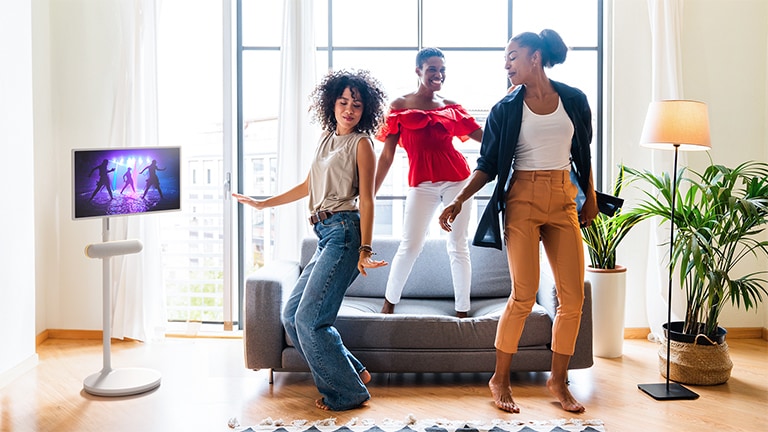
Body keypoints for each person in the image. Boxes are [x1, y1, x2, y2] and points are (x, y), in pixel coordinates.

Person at [438, 29, 598, 414]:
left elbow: (583, 154)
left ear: (535, 57)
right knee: (523, 294)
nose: (506, 63)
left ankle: (558, 381)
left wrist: (589, 197)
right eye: (505, 57)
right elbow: (488, 165)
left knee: (572, 298)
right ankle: (500, 378)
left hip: (563, 199)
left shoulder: (574, 100)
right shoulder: (505, 109)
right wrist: (459, 198)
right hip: (522, 200)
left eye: (512, 56)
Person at [232, 69, 388, 411]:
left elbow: (367, 199)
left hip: (345, 234)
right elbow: (309, 185)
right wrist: (264, 202)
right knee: (291, 316)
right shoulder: (327, 137)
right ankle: (354, 373)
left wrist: (365, 249)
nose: (349, 109)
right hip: (323, 233)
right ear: (331, 102)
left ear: (366, 110)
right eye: (343, 101)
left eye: (357, 105)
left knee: (310, 320)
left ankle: (347, 393)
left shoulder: (362, 144)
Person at [375, 47, 483, 318]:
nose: (438, 74)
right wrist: (371, 192)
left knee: (457, 244)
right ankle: (389, 303)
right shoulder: (400, 105)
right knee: (410, 244)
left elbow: (485, 136)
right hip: (421, 183)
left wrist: (508, 117)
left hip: (457, 180)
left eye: (442, 70)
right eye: (433, 69)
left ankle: (463, 311)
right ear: (418, 71)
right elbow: (387, 154)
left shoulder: (450, 106)